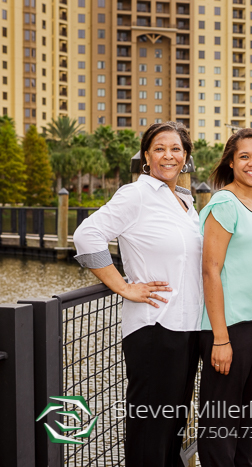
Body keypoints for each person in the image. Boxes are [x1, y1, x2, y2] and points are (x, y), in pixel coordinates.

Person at [73, 121, 201, 467]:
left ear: (186, 156)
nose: (168, 155)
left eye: (176, 149)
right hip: (155, 327)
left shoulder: (186, 201)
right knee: (150, 428)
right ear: (146, 155)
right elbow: (87, 235)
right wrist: (122, 285)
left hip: (188, 327)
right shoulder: (137, 194)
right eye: (159, 148)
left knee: (173, 426)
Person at [198, 128, 252, 467]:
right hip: (230, 326)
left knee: (251, 417)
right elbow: (210, 270)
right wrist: (220, 338)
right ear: (231, 163)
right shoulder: (224, 202)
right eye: (245, 156)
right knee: (220, 421)